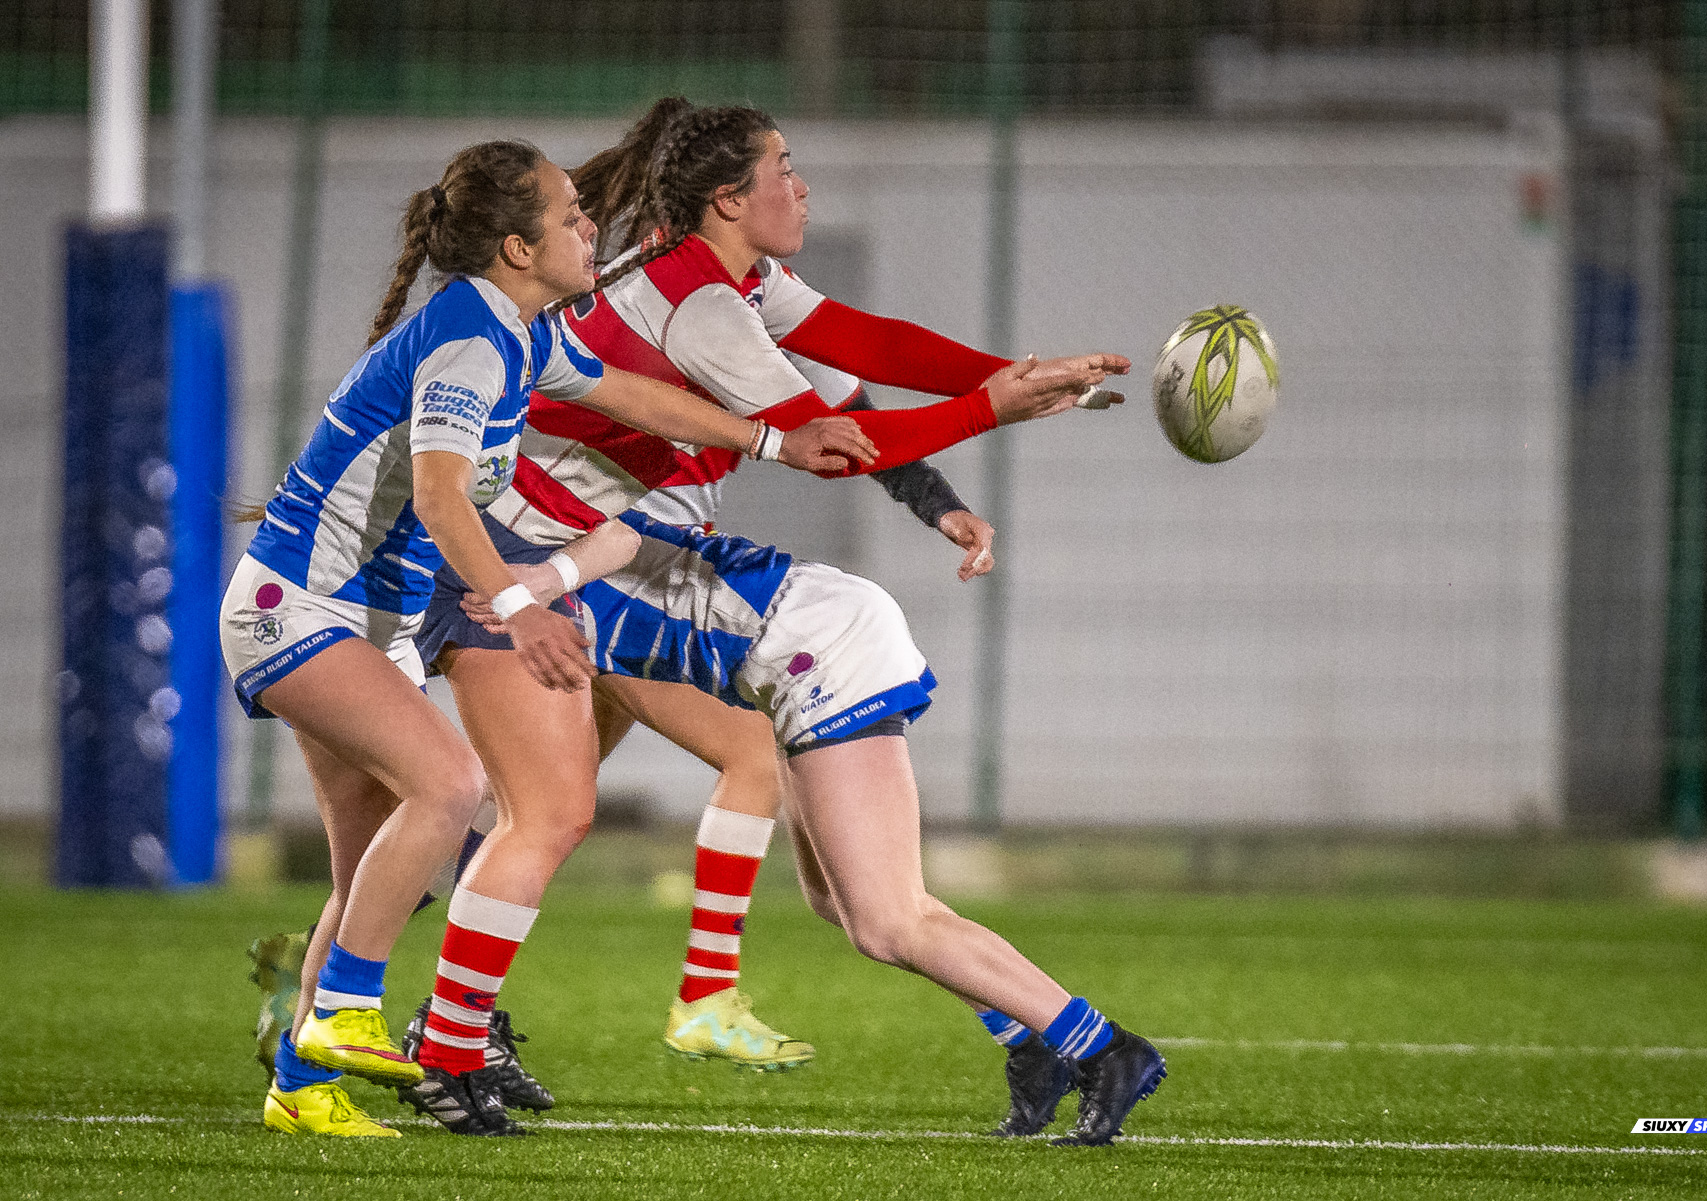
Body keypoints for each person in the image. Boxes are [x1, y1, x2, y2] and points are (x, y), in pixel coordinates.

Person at [406, 102, 1164, 1146]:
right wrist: (994, 402)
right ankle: (414, 1005)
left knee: (560, 818)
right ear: (728, 198)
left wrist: (1007, 384)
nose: (802, 188)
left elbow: (863, 353)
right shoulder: (693, 308)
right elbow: (824, 434)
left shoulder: (727, 287)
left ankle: (421, 1019)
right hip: (589, 561)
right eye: (785, 169)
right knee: (826, 897)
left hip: (715, 610)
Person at [221, 137, 873, 1139]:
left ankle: (301, 1085)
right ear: (518, 249)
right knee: (451, 786)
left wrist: (778, 439)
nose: (588, 226)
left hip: (365, 618)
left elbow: (624, 393)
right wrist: (521, 608)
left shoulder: (518, 332)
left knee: (372, 875)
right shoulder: (471, 343)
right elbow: (441, 500)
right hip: (302, 608)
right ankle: (346, 1009)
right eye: (571, 214)